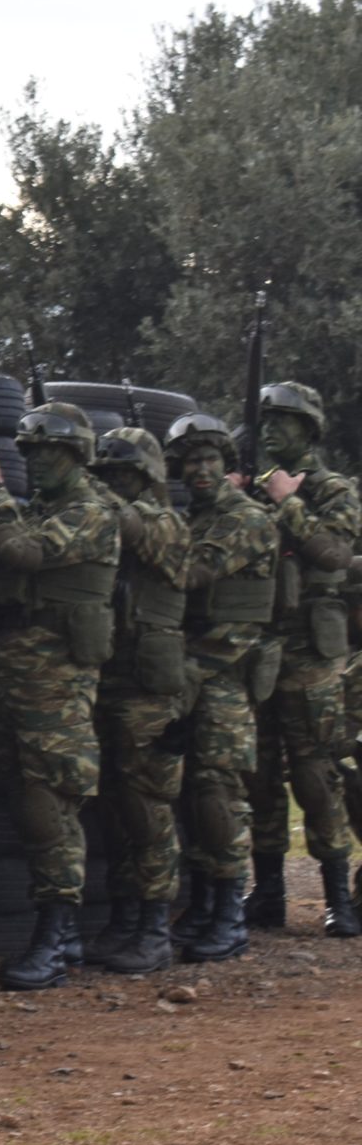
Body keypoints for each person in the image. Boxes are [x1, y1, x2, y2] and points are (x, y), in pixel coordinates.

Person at [0, 402, 118, 989]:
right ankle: (63, 934)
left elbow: (28, 552)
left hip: (57, 683)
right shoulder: (34, 514)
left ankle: (55, 935)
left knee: (48, 804)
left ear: (78, 456)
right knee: (27, 799)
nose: (40, 464)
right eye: (31, 455)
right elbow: (2, 586)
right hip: (15, 676)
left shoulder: (93, 512)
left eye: (51, 453)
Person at [158, 414, 280, 965]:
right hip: (191, 673)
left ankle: (231, 914)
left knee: (217, 793)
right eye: (191, 462)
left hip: (224, 673)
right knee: (190, 792)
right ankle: (207, 905)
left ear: (226, 466)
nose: (200, 470)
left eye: (210, 460)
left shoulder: (246, 519)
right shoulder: (195, 516)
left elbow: (191, 573)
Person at [244, 381, 361, 937]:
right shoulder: (253, 488)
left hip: (312, 652)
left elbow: (334, 551)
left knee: (316, 774)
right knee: (260, 776)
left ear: (309, 429)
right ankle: (267, 893)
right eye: (266, 419)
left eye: (284, 420)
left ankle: (338, 898)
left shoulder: (333, 488)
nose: (271, 429)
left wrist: (288, 501)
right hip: (260, 646)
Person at [84, 426, 194, 972]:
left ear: (148, 479)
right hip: (109, 680)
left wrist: (90, 491)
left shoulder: (166, 525)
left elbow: (133, 526)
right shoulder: (104, 525)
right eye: (106, 476)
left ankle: (154, 927)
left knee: (149, 813)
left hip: (150, 694)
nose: (113, 486)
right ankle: (125, 919)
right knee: (113, 813)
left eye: (123, 476)